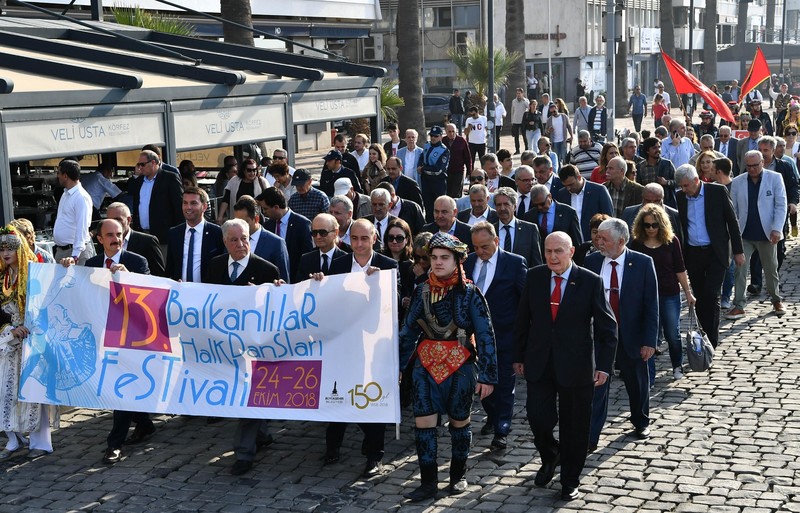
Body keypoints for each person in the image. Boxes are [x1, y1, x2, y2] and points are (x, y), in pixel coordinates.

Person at [513, 231, 617, 502]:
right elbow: (523, 318)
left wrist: (604, 366)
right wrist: (518, 355)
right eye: (548, 251)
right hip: (540, 362)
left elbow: (608, 328)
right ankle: (551, 453)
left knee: (575, 427)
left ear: (571, 252)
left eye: (558, 251)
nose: (552, 257)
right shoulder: (535, 276)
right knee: (537, 418)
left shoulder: (590, 281)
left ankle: (570, 480)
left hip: (577, 366)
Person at [399, 232, 497, 501]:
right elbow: (407, 332)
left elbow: (486, 335)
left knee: (459, 421)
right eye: (434, 257)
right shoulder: (421, 291)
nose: (438, 262)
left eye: (444, 257)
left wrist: (488, 376)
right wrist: (397, 366)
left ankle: (457, 476)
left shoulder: (471, 294)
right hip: (425, 365)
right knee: (423, 422)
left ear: (457, 261)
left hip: (461, 365)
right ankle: (428, 482)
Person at [318, 219, 398, 477]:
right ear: (348, 239)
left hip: (375, 346)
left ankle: (375, 455)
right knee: (338, 393)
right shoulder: (338, 264)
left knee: (372, 397)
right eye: (355, 238)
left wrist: (380, 284)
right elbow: (328, 301)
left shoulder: (387, 265)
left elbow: (396, 304)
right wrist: (319, 284)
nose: (360, 244)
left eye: (365, 238)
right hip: (343, 344)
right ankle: (333, 446)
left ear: (374, 238)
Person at [204, 219, 280, 475]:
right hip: (224, 347)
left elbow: (280, 310)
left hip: (255, 348)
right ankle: (262, 433)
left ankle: (244, 453)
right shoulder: (214, 266)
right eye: (234, 240)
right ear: (225, 242)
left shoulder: (267, 269)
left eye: (245, 238)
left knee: (250, 397)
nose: (241, 244)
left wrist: (262, 296)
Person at [79, 219, 153, 464]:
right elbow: (81, 294)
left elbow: (150, 296)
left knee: (122, 387)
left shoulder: (137, 262)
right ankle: (144, 423)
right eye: (110, 235)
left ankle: (114, 444)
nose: (116, 239)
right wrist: (67, 268)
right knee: (112, 387)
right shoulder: (91, 264)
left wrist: (129, 278)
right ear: (99, 239)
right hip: (102, 334)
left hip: (130, 336)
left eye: (119, 234)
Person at [585, 218, 659, 450]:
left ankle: (641, 421)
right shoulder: (591, 261)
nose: (599, 242)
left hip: (632, 335)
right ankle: (591, 435)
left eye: (604, 239)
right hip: (600, 336)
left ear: (621, 241)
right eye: (598, 237)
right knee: (597, 385)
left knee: (637, 383)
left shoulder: (643, 263)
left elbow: (651, 305)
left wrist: (649, 341)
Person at [465, 222, 526, 450]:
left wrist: (524, 335)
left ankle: (502, 430)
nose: (480, 251)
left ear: (496, 241)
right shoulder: (468, 262)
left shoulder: (514, 263)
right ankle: (492, 416)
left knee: (504, 385)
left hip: (505, 336)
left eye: (485, 246)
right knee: (482, 385)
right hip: (475, 339)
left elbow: (525, 300)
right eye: (476, 247)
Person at [0, 226, 56, 460]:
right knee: (5, 390)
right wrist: (10, 330)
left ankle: (40, 441)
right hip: (9, 341)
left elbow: (50, 299)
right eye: (2, 248)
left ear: (20, 249)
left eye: (10, 248)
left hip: (34, 339)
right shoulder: (1, 277)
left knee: (34, 391)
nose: (5, 253)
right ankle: (14, 438)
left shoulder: (35, 272)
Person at [675, 164, 744, 347]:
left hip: (716, 252)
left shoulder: (717, 191)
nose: (684, 189)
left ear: (696, 180)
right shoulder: (680, 197)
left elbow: (732, 221)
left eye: (686, 185)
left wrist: (738, 251)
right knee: (699, 296)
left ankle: (711, 342)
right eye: (681, 186)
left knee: (712, 295)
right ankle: (702, 335)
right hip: (693, 253)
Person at [630, 205, 696, 382]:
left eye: (654, 225)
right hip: (645, 296)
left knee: (672, 333)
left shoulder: (671, 241)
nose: (651, 229)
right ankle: (649, 376)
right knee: (648, 336)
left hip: (669, 294)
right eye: (647, 225)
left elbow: (680, 269)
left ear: (661, 224)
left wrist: (688, 292)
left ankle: (677, 365)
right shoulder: (637, 244)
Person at [726, 150, 788, 319]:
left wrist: (777, 228)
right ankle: (739, 304)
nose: (752, 169)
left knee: (770, 269)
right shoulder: (738, 182)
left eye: (755, 165)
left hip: (767, 233)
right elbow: (733, 210)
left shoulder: (775, 178)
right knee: (740, 269)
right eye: (749, 166)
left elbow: (781, 205)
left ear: (762, 163)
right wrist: (733, 233)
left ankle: (776, 300)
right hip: (744, 234)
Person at [165, 187, 225, 283]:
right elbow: (170, 268)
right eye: (185, 203)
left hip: (207, 289)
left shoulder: (216, 232)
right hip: (180, 289)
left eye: (193, 203)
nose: (188, 207)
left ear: (204, 207)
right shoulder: (174, 233)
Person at [129, 150, 183, 247]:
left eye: (142, 164)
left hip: (163, 237)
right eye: (138, 165)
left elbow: (179, 206)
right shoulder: (139, 181)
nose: (140, 167)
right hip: (142, 234)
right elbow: (130, 191)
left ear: (153, 162)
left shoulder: (170, 178)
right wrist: (136, 176)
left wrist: (178, 233)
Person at [258, 187, 313, 281]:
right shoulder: (267, 225)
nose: (264, 212)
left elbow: (307, 256)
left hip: (295, 280)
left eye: (265, 208)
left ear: (276, 207)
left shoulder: (302, 224)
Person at [232, 195, 291, 283]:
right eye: (236, 222)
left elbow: (283, 281)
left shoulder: (276, 243)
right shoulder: (230, 240)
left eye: (244, 222)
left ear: (256, 219)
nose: (239, 227)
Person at [53, 159, 95, 264]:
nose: (57, 176)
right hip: (62, 251)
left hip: (76, 253)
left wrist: (75, 256)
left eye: (58, 173)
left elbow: (82, 227)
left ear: (65, 176)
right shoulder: (65, 193)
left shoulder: (81, 197)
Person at [557, 164, 613, 241]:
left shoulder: (599, 191)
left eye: (571, 184)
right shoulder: (562, 194)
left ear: (579, 177)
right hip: (572, 242)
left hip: (596, 241)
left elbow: (608, 217)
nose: (568, 188)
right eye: (565, 186)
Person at [493, 187, 543, 267]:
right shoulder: (490, 230)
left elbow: (536, 263)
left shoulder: (530, 230)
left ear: (515, 206)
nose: (502, 208)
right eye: (499, 205)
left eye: (506, 204)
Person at [522, 184, 582, 248]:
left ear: (549, 196)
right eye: (536, 205)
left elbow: (576, 241)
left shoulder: (568, 212)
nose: (539, 207)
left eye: (542, 204)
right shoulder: (529, 216)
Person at [216, 159, 269, 224]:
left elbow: (268, 199)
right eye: (249, 170)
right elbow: (226, 199)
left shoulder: (262, 182)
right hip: (237, 220)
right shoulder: (234, 181)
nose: (252, 173)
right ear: (243, 170)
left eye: (254, 170)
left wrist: (257, 202)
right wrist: (220, 216)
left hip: (255, 220)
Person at [419, 126, 451, 223]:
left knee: (439, 207)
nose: (433, 138)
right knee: (428, 208)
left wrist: (423, 168)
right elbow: (422, 157)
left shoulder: (444, 150)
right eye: (432, 136)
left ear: (441, 136)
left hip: (438, 182)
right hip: (426, 181)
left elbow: (438, 169)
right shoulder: (427, 145)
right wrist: (420, 166)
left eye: (436, 136)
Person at [443, 123, 473, 198]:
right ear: (446, 132)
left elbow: (467, 157)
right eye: (449, 131)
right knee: (447, 193)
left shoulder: (461, 141)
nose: (451, 133)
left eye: (453, 131)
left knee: (456, 193)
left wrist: (469, 171)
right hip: (446, 172)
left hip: (458, 171)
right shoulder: (443, 141)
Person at [510, 88, 530, 154]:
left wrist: (524, 100)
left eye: (519, 93)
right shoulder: (514, 101)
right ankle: (517, 150)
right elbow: (512, 111)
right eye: (517, 93)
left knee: (524, 136)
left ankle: (526, 149)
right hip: (515, 121)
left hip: (523, 121)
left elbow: (529, 107)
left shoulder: (525, 100)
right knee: (516, 137)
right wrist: (512, 121)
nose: (518, 95)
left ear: (522, 93)